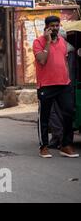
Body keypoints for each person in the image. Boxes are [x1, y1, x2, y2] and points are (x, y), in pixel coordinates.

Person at [32, 16, 78, 158]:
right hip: (46, 85)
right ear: (46, 27)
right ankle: (44, 147)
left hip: (64, 84)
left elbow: (64, 60)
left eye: (57, 25)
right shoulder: (38, 42)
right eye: (52, 26)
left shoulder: (63, 42)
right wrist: (47, 42)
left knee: (68, 113)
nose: (55, 28)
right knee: (45, 117)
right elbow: (42, 60)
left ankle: (65, 145)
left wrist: (68, 79)